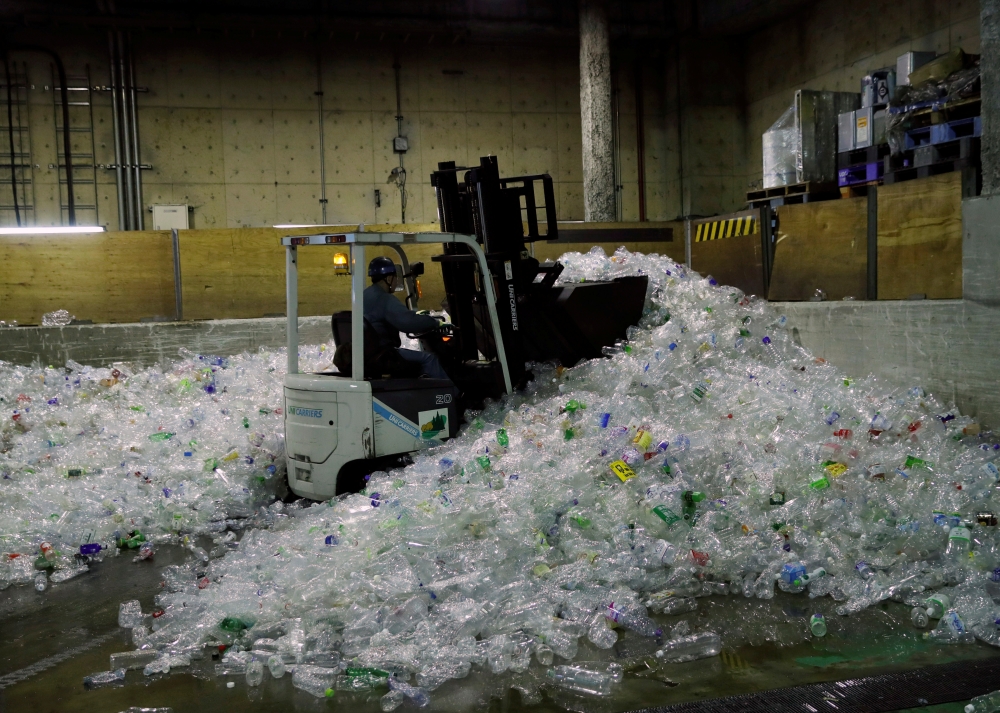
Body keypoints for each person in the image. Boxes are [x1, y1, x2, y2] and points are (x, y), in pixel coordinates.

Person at [363, 256, 449, 379]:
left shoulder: (365, 294)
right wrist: (435, 323)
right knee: (430, 359)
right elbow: (408, 322)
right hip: (384, 354)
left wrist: (415, 316)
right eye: (395, 278)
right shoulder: (384, 298)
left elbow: (398, 316)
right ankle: (452, 396)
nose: (397, 281)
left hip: (371, 353)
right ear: (388, 278)